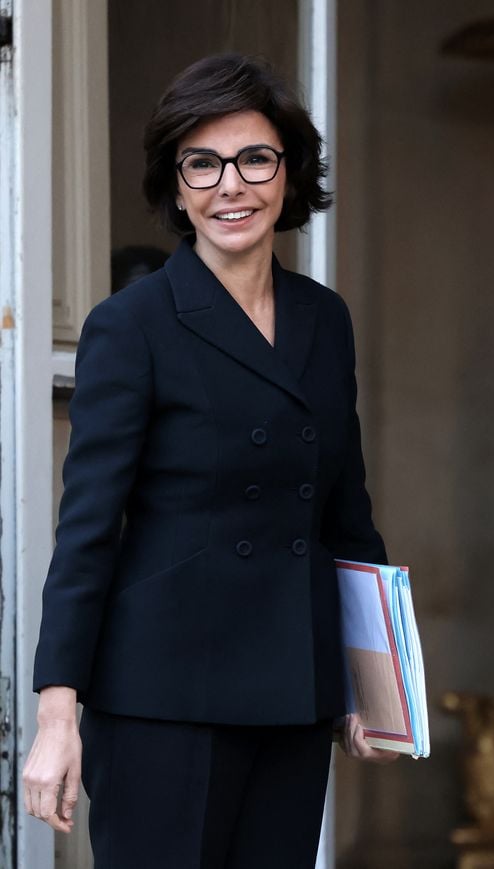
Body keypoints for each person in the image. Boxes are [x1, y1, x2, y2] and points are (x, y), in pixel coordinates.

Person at [23, 53, 397, 869]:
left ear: (287, 173)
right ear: (178, 184)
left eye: (255, 158)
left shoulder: (323, 320)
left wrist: (376, 683)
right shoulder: (134, 324)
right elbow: (87, 532)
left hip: (293, 696)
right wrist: (57, 715)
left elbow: (346, 513)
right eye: (204, 162)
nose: (232, 185)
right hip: (164, 702)